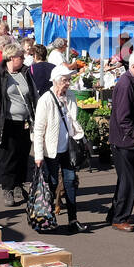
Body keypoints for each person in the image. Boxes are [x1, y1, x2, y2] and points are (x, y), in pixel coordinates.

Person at [33, 64, 90, 234]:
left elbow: (74, 120)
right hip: (50, 150)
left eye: (69, 80)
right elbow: (39, 129)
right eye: (65, 80)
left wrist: (81, 138)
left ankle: (73, 220)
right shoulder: (46, 100)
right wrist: (38, 154)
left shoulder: (70, 96)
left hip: (68, 149)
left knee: (71, 182)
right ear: (56, 81)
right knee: (52, 183)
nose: (68, 83)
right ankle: (49, 219)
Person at [0, 44, 38, 206]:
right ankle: (7, 189)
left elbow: (34, 94)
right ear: (11, 58)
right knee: (7, 157)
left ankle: (19, 185)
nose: (23, 59)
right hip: (5, 123)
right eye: (20, 57)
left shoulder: (26, 73)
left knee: (22, 156)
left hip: (25, 123)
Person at [105, 50, 134, 233]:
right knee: (128, 181)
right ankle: (120, 217)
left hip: (128, 140)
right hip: (125, 141)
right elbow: (123, 118)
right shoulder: (126, 84)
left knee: (125, 180)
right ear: (133, 66)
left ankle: (115, 213)